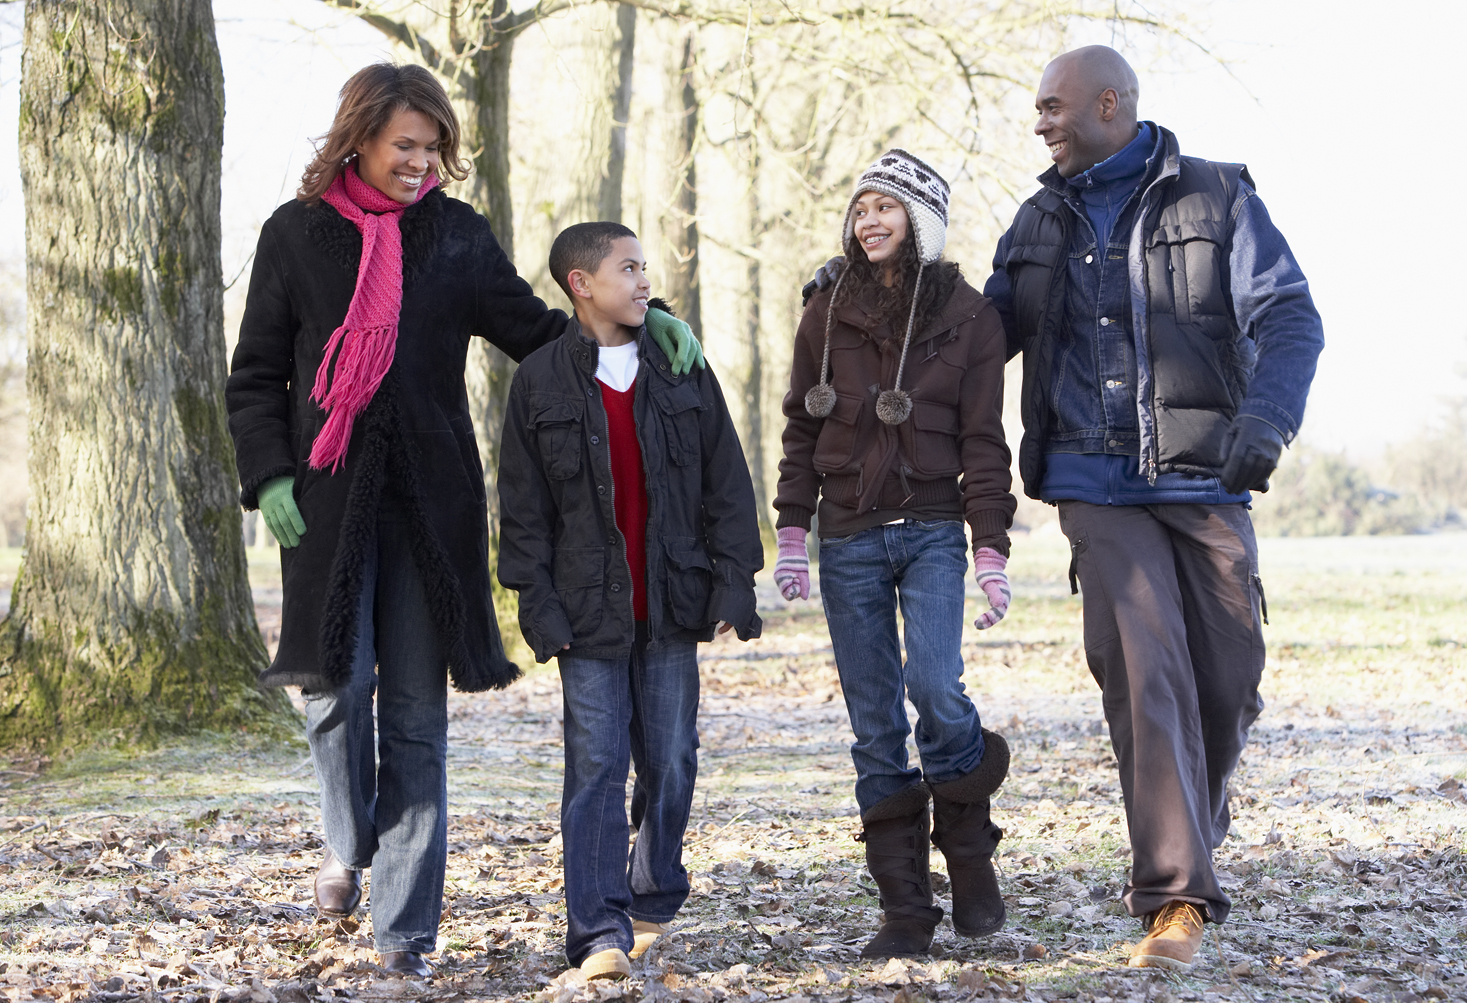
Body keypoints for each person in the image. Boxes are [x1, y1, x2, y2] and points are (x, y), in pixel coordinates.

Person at [225, 64, 702, 977]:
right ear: (358, 135)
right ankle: (345, 839)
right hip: (324, 502)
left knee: (413, 714)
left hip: (431, 506)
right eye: (405, 144)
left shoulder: (452, 234)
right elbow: (254, 373)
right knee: (333, 690)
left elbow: (532, 327)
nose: (420, 161)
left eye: (433, 146)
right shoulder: (295, 233)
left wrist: (644, 321)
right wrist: (269, 474)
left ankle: (403, 940)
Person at [982, 46, 1325, 969]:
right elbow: (972, 338)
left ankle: (1187, 844)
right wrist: (865, 290)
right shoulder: (1036, 218)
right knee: (1149, 677)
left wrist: (1266, 418)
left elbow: (1290, 315)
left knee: (1226, 682)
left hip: (1206, 477)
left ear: (1108, 103)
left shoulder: (1215, 197)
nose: (1040, 121)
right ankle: (1174, 897)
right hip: (1092, 484)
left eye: (1053, 106)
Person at [496, 222, 763, 980]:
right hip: (586, 614)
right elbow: (522, 510)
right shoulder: (540, 381)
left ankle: (652, 888)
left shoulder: (681, 365)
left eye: (646, 267)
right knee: (596, 768)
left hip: (673, 599)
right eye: (628, 268)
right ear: (581, 284)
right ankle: (598, 932)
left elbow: (725, 480)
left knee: (672, 761)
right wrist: (539, 607)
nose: (644, 280)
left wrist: (732, 579)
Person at [773, 151, 1017, 959]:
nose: (868, 220)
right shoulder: (825, 307)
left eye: (887, 206)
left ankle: (970, 853)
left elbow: (984, 440)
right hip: (845, 535)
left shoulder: (972, 318)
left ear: (923, 220)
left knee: (933, 685)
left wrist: (989, 547)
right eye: (860, 207)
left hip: (932, 529)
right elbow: (800, 429)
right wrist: (790, 532)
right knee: (874, 723)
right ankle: (906, 910)